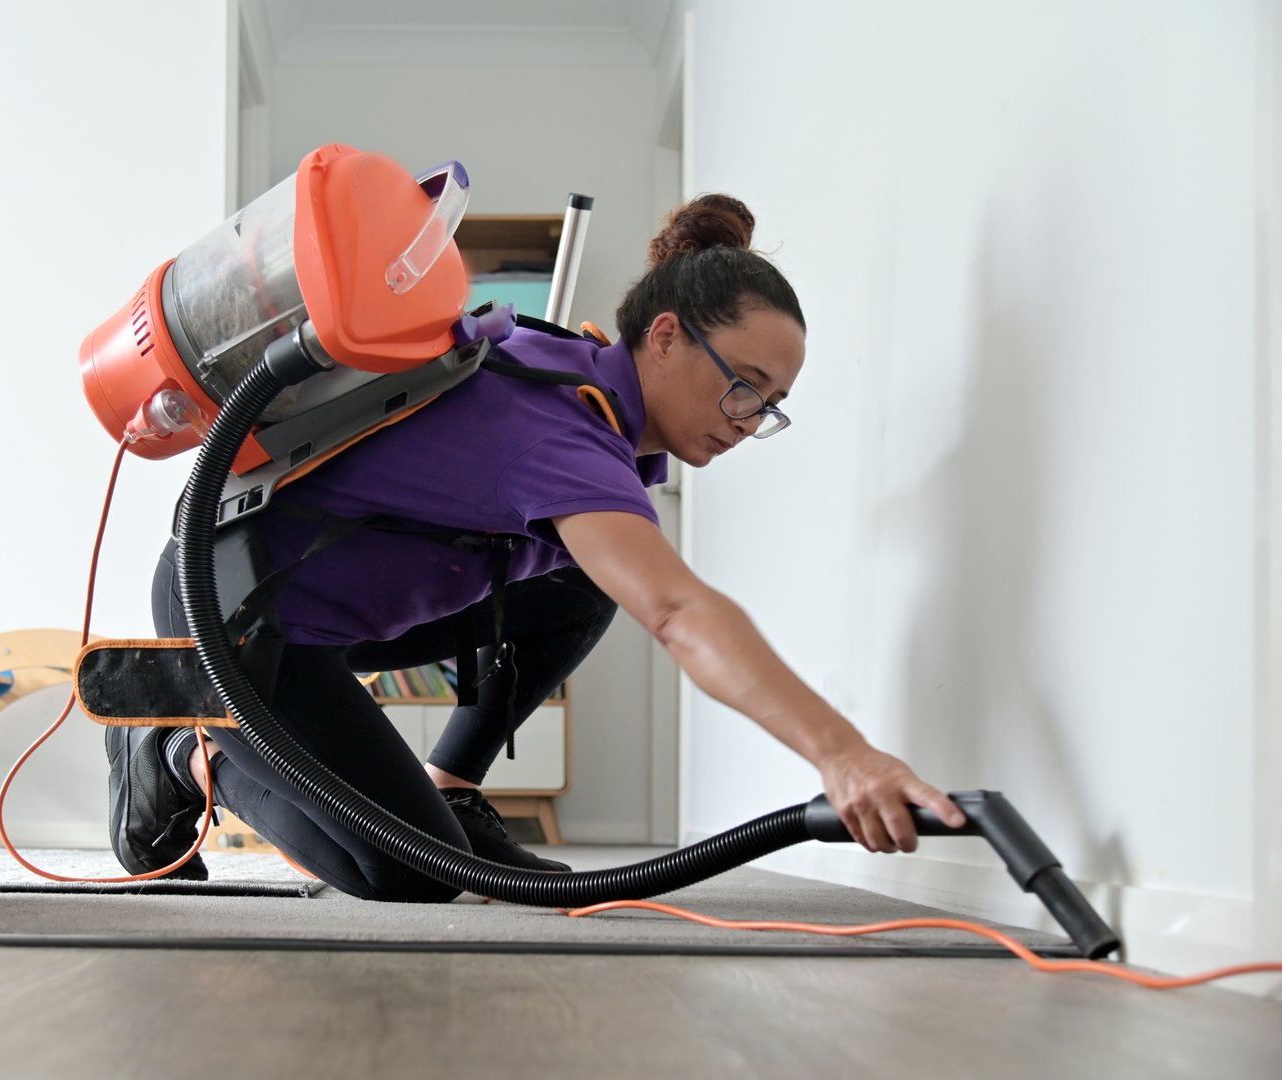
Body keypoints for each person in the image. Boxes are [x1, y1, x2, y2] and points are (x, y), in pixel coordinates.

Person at [105, 193, 967, 900]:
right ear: (664, 335)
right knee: (407, 870)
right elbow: (675, 610)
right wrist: (841, 754)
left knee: (584, 583)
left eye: (767, 405)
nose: (744, 423)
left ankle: (452, 785)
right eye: (740, 386)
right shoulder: (560, 433)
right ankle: (187, 752)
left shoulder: (576, 369)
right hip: (237, 617)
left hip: (320, 605)